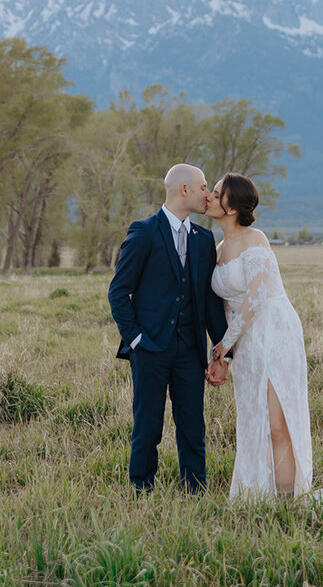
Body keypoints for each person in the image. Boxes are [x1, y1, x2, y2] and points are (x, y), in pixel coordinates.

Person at [108, 164, 230, 493]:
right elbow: (118, 292)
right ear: (184, 190)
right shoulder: (144, 231)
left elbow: (208, 301)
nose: (209, 194)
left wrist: (222, 351)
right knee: (148, 425)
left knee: (193, 426)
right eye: (204, 187)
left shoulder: (204, 239)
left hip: (190, 350)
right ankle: (141, 490)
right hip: (149, 349)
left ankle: (196, 492)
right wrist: (135, 340)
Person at [206, 173, 313, 499]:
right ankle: (260, 494)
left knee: (277, 425)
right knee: (254, 421)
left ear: (231, 205)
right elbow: (227, 306)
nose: (209, 196)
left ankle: (287, 505)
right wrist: (223, 355)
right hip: (247, 341)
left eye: (216, 192)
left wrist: (225, 344)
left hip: (273, 331)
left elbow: (254, 297)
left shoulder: (256, 240)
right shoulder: (220, 248)